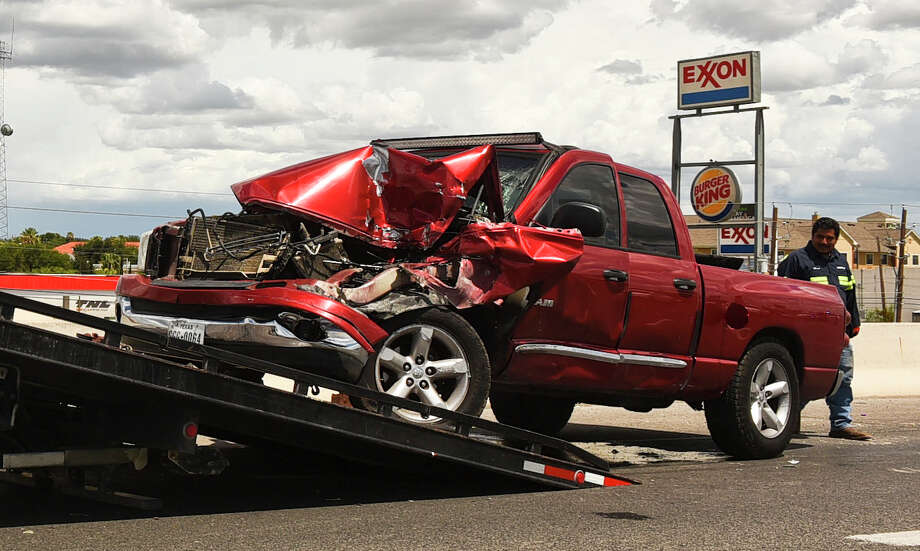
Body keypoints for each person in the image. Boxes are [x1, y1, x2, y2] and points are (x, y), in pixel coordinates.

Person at [778, 216, 872, 440]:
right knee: (805, 378)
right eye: (820, 237)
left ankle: (840, 425)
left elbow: (849, 298)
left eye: (830, 238)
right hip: (808, 334)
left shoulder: (841, 261)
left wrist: (850, 329)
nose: (824, 241)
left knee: (842, 378)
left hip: (839, 334)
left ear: (836, 239)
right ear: (812, 236)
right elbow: (784, 296)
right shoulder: (797, 260)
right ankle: (783, 421)